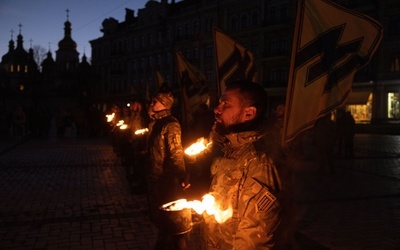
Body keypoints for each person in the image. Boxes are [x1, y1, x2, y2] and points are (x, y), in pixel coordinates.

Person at [202, 81, 285, 249]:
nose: (217, 109)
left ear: (249, 113)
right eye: (219, 103)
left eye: (226, 104)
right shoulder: (231, 150)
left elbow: (254, 238)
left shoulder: (259, 161)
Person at [145, 91, 190, 250]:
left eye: (155, 101)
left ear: (165, 104)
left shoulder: (170, 124)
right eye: (152, 101)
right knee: (162, 222)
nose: (151, 104)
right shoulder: (155, 123)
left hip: (167, 182)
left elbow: (176, 153)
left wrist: (181, 176)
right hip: (156, 180)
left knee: (174, 225)